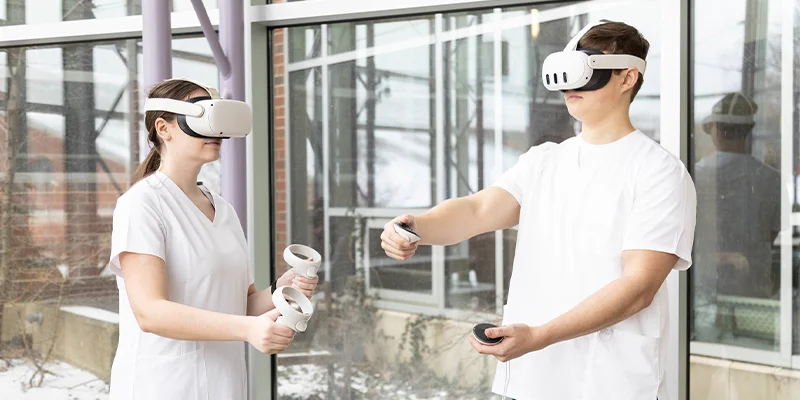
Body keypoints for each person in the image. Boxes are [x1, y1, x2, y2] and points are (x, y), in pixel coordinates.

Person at [380, 20, 696, 400]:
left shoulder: (659, 172)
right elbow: (479, 209)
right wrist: (419, 226)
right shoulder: (544, 161)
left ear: (627, 77)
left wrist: (540, 336)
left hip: (610, 382)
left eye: (587, 70)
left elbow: (637, 289)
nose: (569, 84)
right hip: (530, 379)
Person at [107, 78, 318, 400]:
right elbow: (150, 312)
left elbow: (240, 304)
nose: (215, 132)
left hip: (226, 384)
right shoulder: (141, 205)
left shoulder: (223, 209)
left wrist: (280, 289)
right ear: (164, 129)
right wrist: (249, 330)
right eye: (200, 117)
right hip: (164, 386)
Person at [692, 92, 780, 341]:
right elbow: (772, 234)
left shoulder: (693, 176)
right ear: (749, 130)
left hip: (702, 293)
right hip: (752, 293)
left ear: (715, 129)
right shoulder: (771, 178)